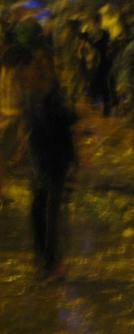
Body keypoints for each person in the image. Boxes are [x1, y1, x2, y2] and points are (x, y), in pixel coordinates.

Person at [8, 19, 77, 279]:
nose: (18, 77)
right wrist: (21, 150)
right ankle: (46, 260)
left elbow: (58, 125)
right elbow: (30, 125)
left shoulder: (46, 93)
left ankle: (49, 261)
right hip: (44, 157)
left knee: (46, 209)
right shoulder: (38, 94)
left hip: (51, 157)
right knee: (42, 209)